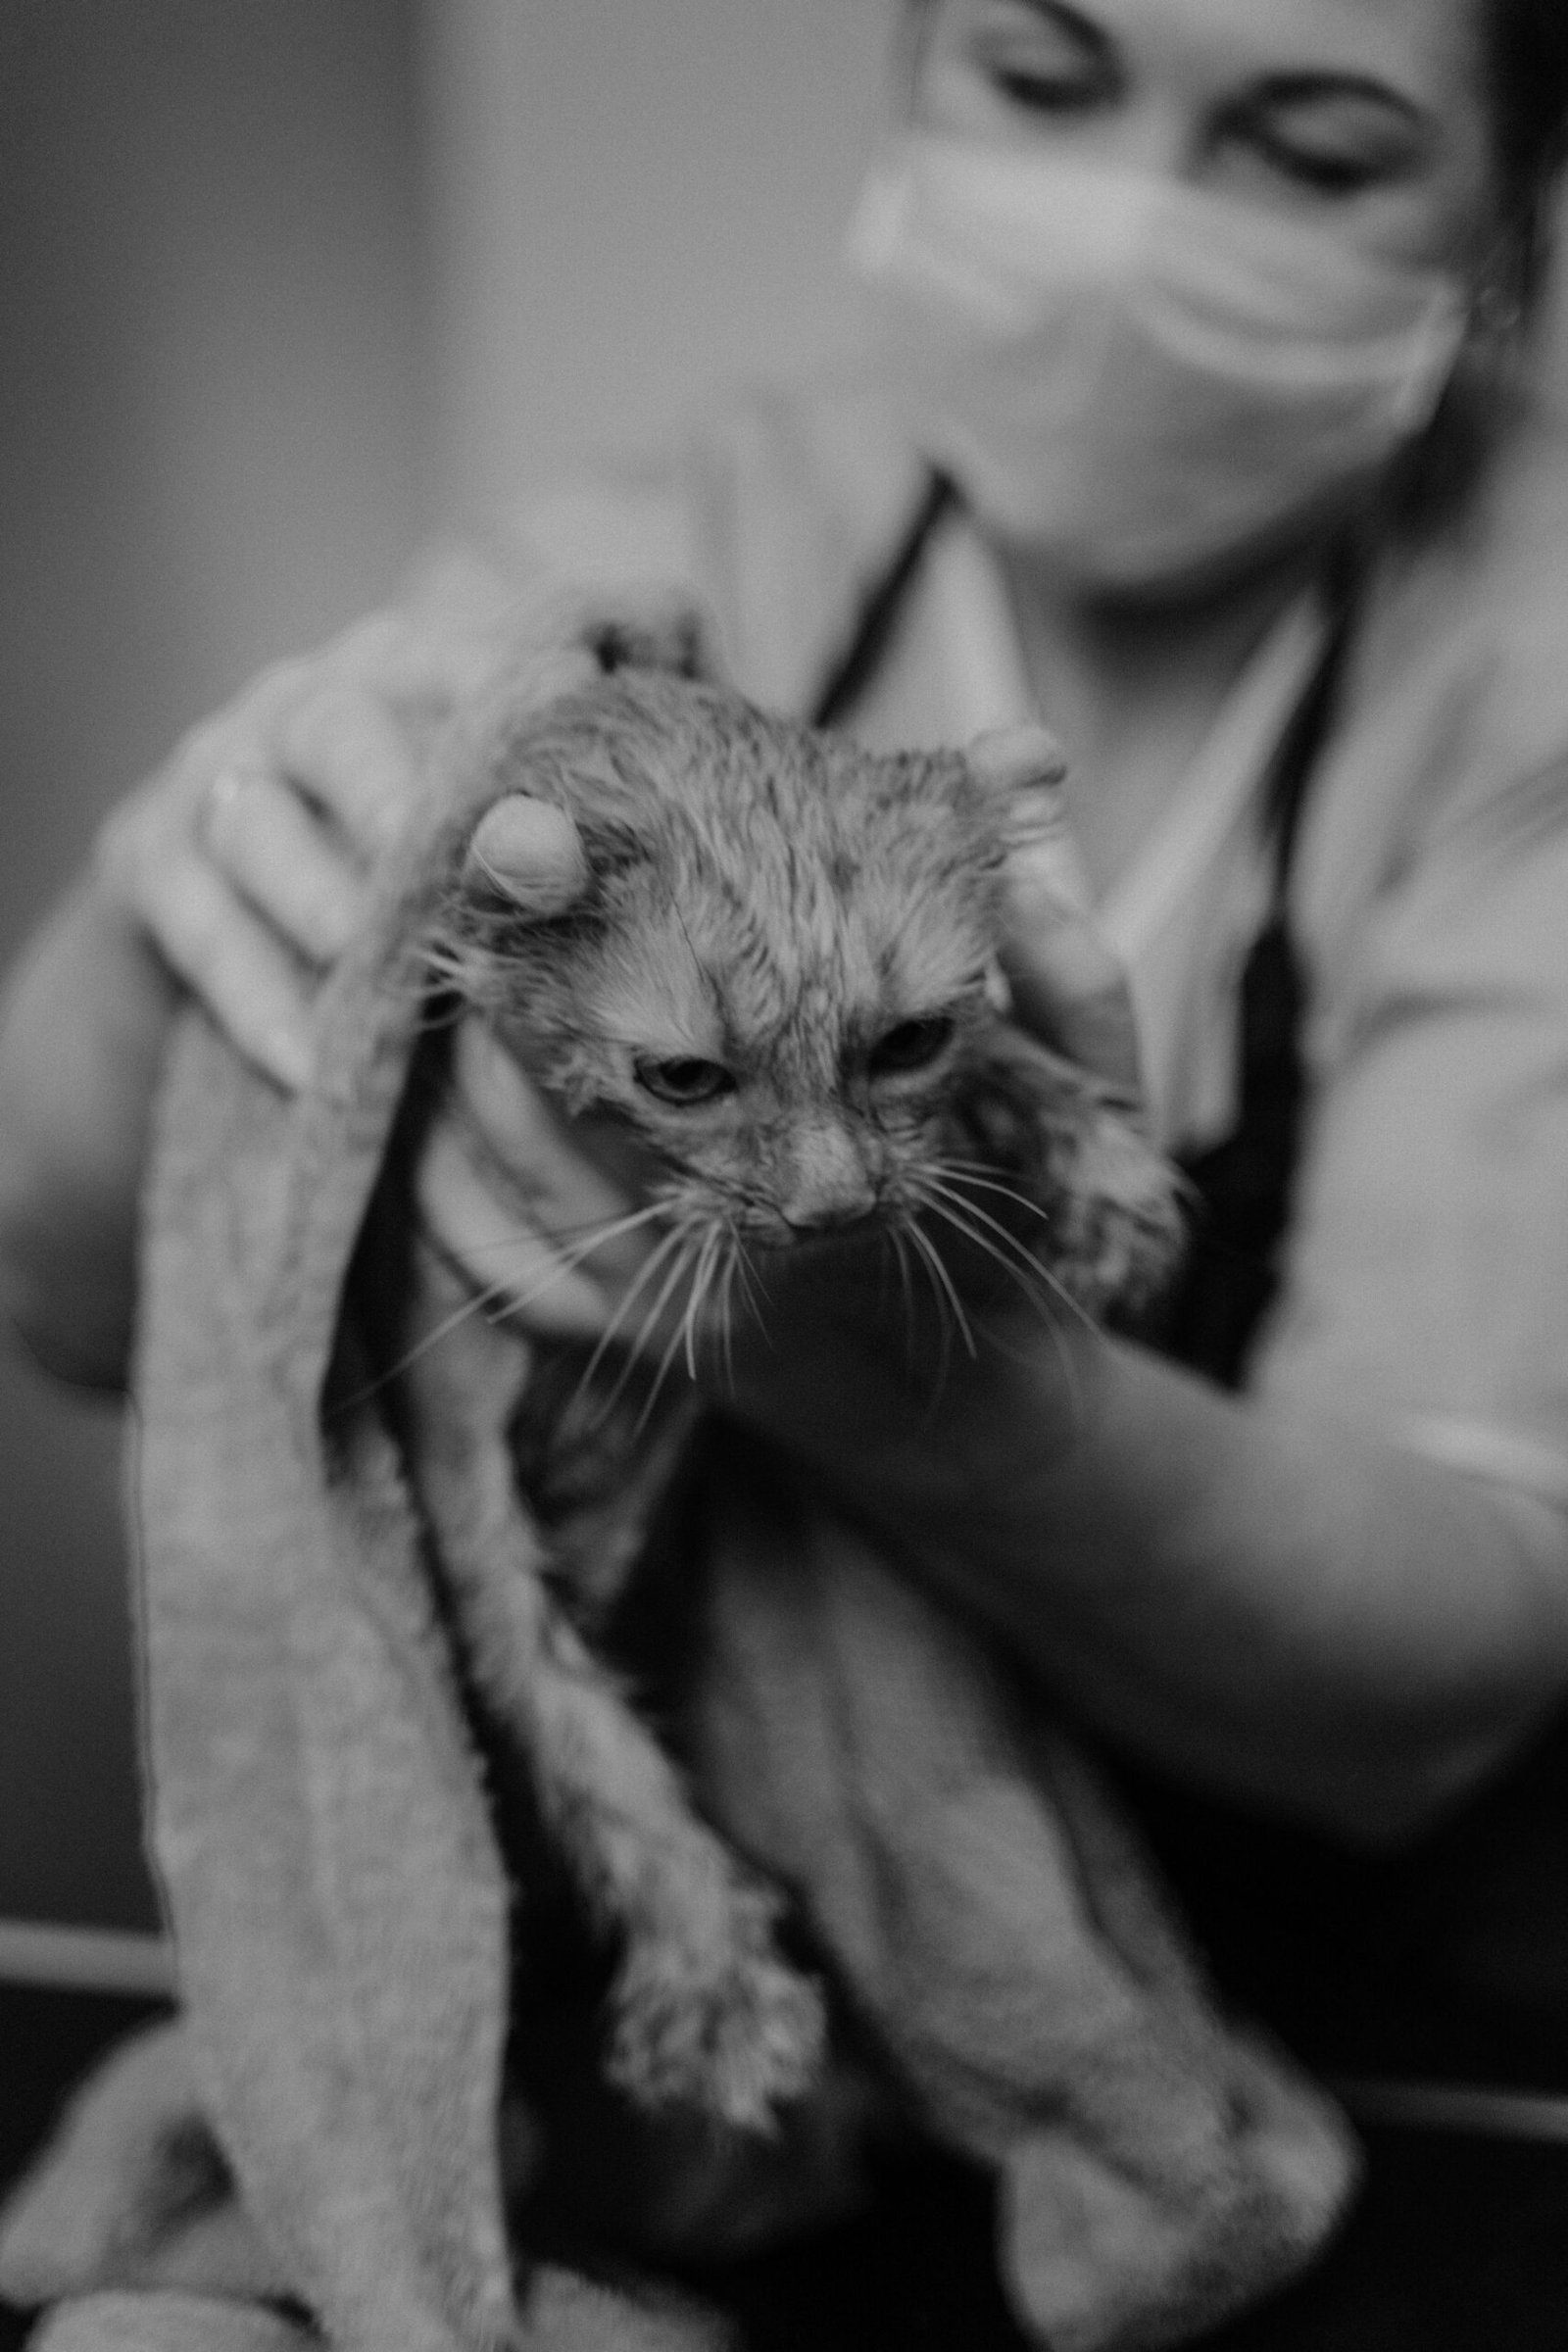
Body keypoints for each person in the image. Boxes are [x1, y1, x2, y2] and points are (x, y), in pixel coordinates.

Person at [5, 0, 1568, 2341]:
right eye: (1042, 82)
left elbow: (1429, 1680)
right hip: (670, 1974)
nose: (1122, 221)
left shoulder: (1523, 664)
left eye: (1310, 144)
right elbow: (80, 1302)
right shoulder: (669, 542)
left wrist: (872, 1342)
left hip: (1329, 1999)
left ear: (1505, 226)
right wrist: (178, 912)